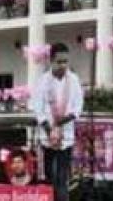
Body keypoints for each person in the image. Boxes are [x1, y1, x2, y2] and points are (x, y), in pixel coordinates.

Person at [32, 42, 83, 201]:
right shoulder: (42, 81)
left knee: (62, 178)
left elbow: (78, 107)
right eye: (59, 62)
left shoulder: (73, 79)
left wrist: (62, 122)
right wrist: (50, 130)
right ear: (51, 61)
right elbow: (38, 109)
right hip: (47, 137)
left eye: (65, 61)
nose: (63, 65)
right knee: (49, 177)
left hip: (66, 136)